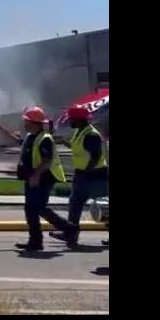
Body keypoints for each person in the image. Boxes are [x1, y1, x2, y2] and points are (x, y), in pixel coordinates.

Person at [17, 106, 79, 251]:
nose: (25, 123)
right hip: (31, 178)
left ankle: (69, 228)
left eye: (27, 121)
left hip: (42, 179)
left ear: (34, 122)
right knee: (31, 210)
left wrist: (36, 176)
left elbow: (47, 160)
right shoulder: (31, 137)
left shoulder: (45, 139)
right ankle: (35, 241)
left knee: (38, 208)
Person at [52, 105, 108, 245]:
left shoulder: (91, 135)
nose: (69, 121)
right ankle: (71, 234)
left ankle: (71, 234)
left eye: (71, 119)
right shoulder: (80, 132)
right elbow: (79, 148)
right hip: (83, 175)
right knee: (75, 204)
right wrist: (63, 142)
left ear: (79, 119)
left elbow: (96, 156)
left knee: (104, 206)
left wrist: (86, 173)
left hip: (94, 176)